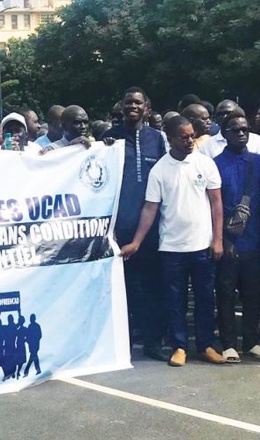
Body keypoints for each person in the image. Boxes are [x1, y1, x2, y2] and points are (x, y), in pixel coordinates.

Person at [120, 116, 225, 367]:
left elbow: (216, 203)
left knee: (204, 298)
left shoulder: (205, 163)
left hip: (202, 245)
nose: (190, 141)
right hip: (171, 248)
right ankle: (180, 346)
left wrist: (218, 239)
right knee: (175, 301)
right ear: (170, 138)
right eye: (184, 137)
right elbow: (150, 209)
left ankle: (205, 345)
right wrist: (136, 242)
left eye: (192, 136)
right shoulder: (159, 170)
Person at [102, 87, 167, 360]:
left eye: (138, 103)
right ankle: (123, 345)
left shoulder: (158, 139)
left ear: (146, 108)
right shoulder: (109, 138)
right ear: (121, 106)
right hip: (121, 225)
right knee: (124, 287)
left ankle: (153, 343)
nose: (133, 106)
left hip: (152, 227)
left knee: (153, 285)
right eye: (128, 102)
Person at [213, 113, 260, 362]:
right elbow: (213, 206)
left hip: (255, 239)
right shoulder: (215, 164)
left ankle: (252, 341)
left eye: (244, 129)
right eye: (235, 130)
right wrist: (222, 239)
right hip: (228, 240)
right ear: (224, 134)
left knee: (253, 293)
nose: (241, 133)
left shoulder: (258, 162)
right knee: (226, 293)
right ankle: (229, 343)